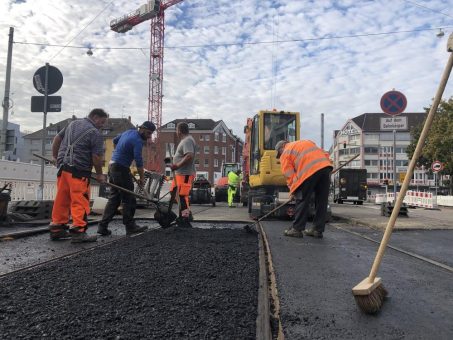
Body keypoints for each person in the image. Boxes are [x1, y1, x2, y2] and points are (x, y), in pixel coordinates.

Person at [49, 108, 108, 243]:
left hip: (63, 168)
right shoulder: (95, 133)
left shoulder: (72, 124)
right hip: (79, 171)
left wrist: (54, 156)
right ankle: (78, 231)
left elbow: (57, 138)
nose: (102, 125)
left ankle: (57, 229)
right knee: (79, 200)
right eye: (102, 122)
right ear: (95, 117)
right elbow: (96, 157)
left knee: (62, 199)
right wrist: (99, 174)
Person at [97, 121, 156, 236]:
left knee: (114, 198)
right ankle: (130, 226)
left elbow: (115, 141)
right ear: (142, 129)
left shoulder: (128, 132)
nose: (149, 136)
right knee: (129, 198)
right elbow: (139, 162)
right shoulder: (138, 141)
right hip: (120, 168)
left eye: (151, 134)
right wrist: (142, 178)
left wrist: (120, 153)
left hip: (112, 166)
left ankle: (102, 226)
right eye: (148, 133)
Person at [275, 139, 333, 238]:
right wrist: (325, 168)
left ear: (282, 147)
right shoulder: (307, 142)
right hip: (325, 167)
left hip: (309, 171)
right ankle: (317, 230)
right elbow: (324, 154)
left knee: (302, 199)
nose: (280, 155)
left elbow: (289, 175)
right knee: (321, 201)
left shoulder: (286, 152)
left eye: (279, 153)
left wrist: (293, 191)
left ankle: (297, 229)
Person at [167, 122, 196, 225]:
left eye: (176, 130)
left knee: (182, 196)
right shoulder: (185, 140)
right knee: (174, 192)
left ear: (179, 130)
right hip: (180, 174)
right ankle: (185, 214)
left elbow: (189, 156)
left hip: (185, 174)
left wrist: (177, 165)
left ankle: (185, 218)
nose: (176, 132)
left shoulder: (187, 140)